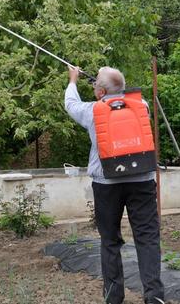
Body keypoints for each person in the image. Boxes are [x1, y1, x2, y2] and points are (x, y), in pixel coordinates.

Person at [65, 66, 165, 304]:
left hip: (106, 183)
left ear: (100, 92)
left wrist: (73, 80)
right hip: (142, 181)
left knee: (109, 240)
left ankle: (113, 298)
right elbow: (124, 96)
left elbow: (70, 104)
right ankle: (155, 298)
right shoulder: (142, 107)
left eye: (95, 86)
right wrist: (107, 86)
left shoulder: (92, 111)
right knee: (148, 238)